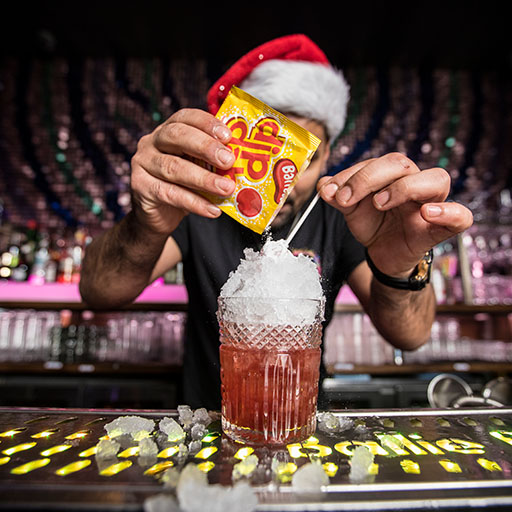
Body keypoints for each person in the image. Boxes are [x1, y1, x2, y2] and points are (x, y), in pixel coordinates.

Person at [79, 34, 473, 410]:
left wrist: (400, 268)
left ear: (328, 155)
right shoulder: (196, 201)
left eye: (305, 157)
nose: (282, 181)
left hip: (297, 426)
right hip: (205, 428)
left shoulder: (341, 216)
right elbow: (99, 293)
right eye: (273, 151)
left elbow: (411, 335)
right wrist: (146, 224)